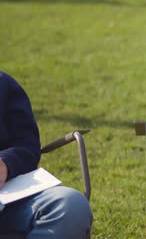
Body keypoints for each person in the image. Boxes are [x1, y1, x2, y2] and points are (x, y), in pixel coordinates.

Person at [0, 71, 93, 237]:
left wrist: (6, 164)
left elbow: (27, 146)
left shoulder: (3, 84)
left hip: (9, 198)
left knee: (71, 204)